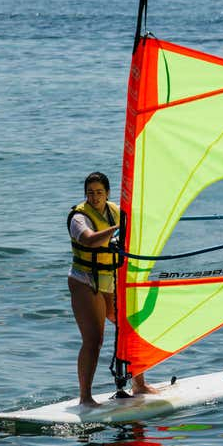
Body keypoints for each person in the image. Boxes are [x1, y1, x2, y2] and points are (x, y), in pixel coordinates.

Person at [67, 172, 158, 406]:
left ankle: (139, 383)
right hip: (86, 282)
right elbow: (89, 240)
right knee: (94, 340)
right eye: (90, 193)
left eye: (99, 192)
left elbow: (141, 227)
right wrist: (120, 228)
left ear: (107, 193)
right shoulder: (79, 217)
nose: (94, 197)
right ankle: (85, 397)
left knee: (129, 327)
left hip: (111, 280)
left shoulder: (116, 210)